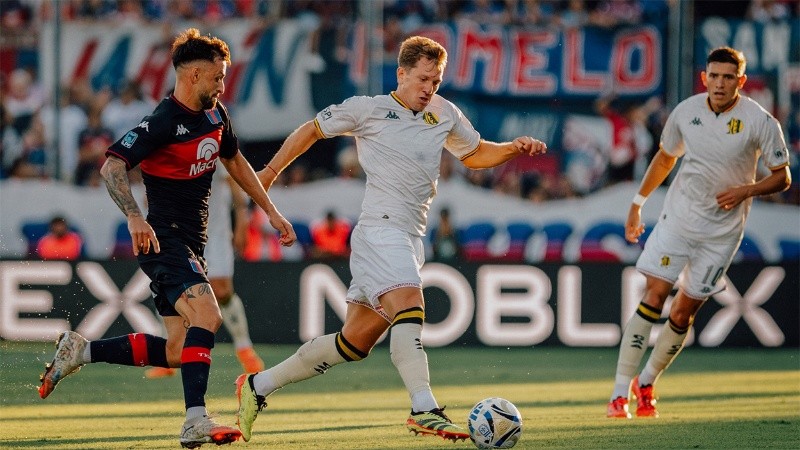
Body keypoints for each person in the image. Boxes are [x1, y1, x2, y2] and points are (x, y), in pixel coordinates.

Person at [234, 35, 547, 443]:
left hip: (408, 237)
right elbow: (311, 130)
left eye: (435, 80)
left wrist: (512, 149)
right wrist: (271, 172)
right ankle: (424, 408)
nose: (428, 88)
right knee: (411, 306)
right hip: (381, 230)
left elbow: (475, 154)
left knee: (353, 344)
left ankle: (257, 386)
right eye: (422, 79)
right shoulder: (369, 109)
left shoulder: (444, 113)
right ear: (401, 73)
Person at [37, 28, 296, 449]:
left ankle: (80, 351)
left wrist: (270, 210)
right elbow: (111, 167)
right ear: (192, 75)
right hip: (165, 241)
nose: (221, 85)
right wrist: (135, 216)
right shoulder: (161, 121)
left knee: (177, 350)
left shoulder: (216, 116)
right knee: (208, 317)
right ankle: (196, 420)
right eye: (216, 77)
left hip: (192, 242)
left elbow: (236, 161)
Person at [606, 46, 791, 419]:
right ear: (704, 78)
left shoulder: (760, 121)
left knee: (683, 312)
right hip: (678, 219)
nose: (720, 83)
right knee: (654, 293)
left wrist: (745, 190)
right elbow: (665, 156)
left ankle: (646, 382)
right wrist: (638, 202)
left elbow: (782, 177)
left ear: (740, 81)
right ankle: (617, 394)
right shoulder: (686, 111)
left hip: (722, 233)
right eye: (714, 76)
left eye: (728, 77)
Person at [144, 164, 265, 378]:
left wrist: (242, 224)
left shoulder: (212, 143)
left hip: (215, 233)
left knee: (222, 291)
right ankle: (169, 354)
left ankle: (245, 348)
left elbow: (234, 183)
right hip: (176, 233)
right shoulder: (169, 145)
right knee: (170, 287)